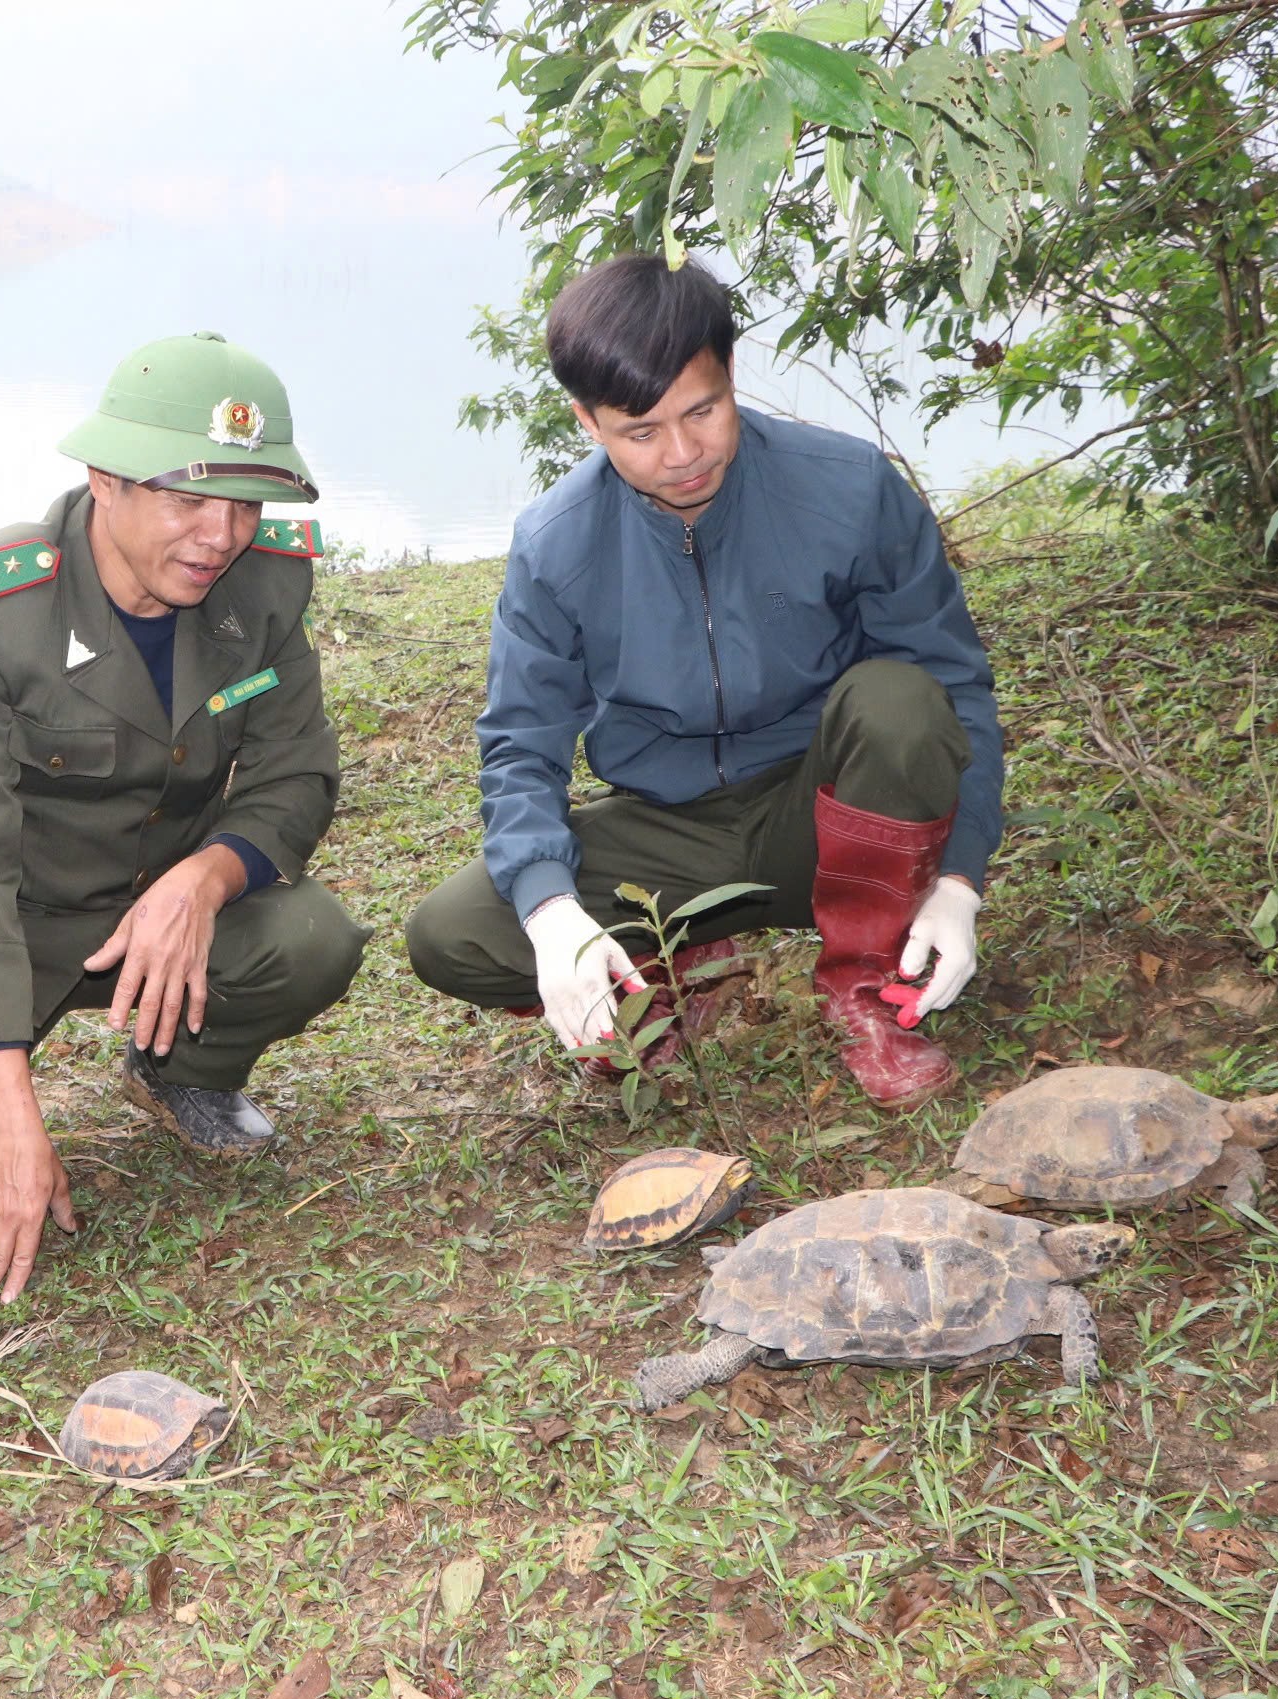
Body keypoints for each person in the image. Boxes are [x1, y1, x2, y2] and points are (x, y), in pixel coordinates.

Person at [405, 255, 1004, 1108]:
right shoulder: (556, 545)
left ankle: (868, 987)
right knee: (453, 934)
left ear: (730, 376)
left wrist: (959, 880)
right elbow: (519, 748)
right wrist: (550, 913)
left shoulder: (849, 489)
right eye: (641, 431)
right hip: (665, 836)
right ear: (587, 421)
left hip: (825, 812)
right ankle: (668, 968)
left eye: (703, 410)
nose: (683, 454)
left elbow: (956, 683)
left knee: (901, 701)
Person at [0, 332, 370, 1306]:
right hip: (0, 909)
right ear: (106, 480)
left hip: (152, 909)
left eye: (243, 505)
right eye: (187, 500)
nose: (218, 536)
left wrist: (202, 878)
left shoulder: (263, 586)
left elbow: (297, 775)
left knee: (312, 939)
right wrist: (12, 1122)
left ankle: (179, 1068)